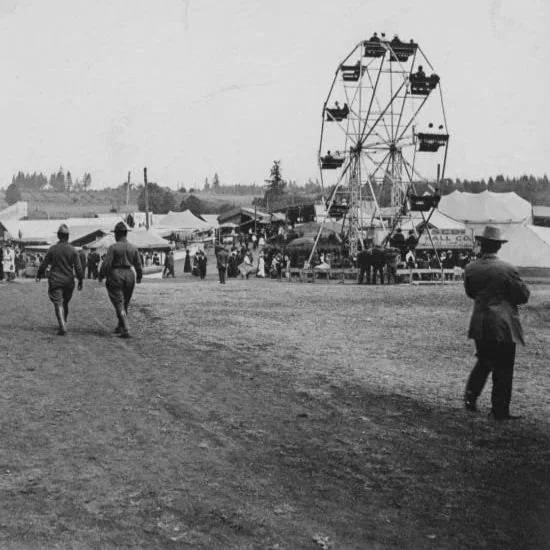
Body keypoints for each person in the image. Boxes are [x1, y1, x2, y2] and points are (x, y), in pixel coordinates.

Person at [463, 226, 530, 420]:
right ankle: (499, 409)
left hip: (480, 322)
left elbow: (470, 293)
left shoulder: (471, 268)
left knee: (484, 361)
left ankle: (470, 396)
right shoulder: (507, 269)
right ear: (498, 247)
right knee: (504, 367)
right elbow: (522, 295)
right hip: (503, 323)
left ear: (482, 245)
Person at [36, 224, 84, 335]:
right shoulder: (73, 250)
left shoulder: (52, 249)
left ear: (58, 236)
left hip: (55, 280)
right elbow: (78, 268)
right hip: (69, 281)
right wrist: (80, 281)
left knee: (58, 303)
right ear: (68, 236)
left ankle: (62, 325)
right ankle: (64, 322)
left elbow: (44, 264)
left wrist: (39, 275)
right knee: (65, 303)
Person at [98, 221, 143, 338]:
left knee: (119, 302)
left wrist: (101, 275)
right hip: (129, 275)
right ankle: (120, 326)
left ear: (117, 234)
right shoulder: (133, 248)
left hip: (115, 275)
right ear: (126, 234)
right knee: (125, 303)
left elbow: (107, 264)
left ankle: (126, 327)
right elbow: (138, 265)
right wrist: (139, 276)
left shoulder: (113, 247)